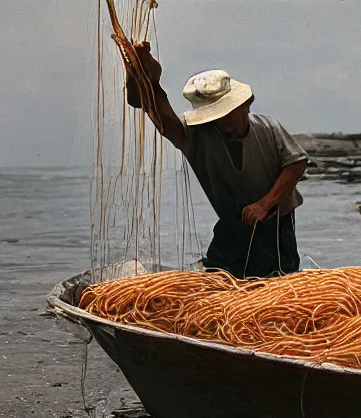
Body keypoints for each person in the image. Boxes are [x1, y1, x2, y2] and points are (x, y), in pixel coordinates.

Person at [124, 43, 308, 279]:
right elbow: (161, 118)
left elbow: (296, 163)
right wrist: (149, 83)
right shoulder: (200, 136)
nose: (225, 123)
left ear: (245, 105)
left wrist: (264, 204)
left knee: (278, 283)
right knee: (218, 283)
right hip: (232, 224)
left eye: (230, 113)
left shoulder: (268, 128)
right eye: (219, 117)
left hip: (276, 225)